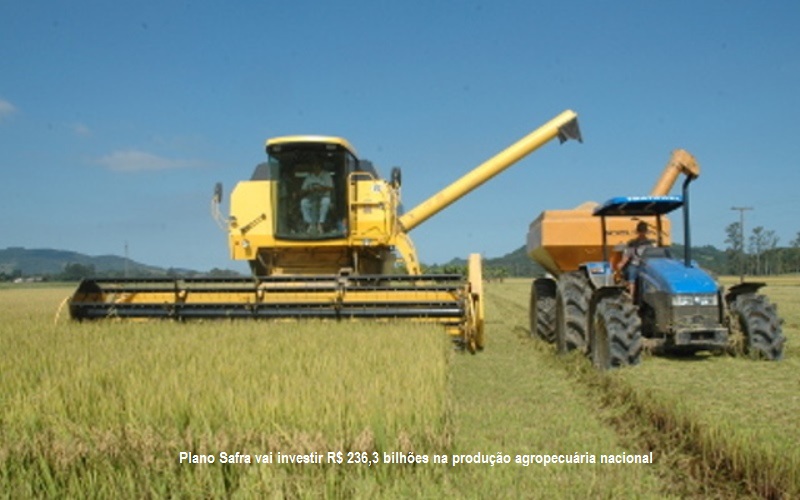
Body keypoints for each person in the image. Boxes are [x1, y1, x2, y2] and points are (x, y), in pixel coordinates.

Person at [616, 221, 655, 296]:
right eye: (640, 231)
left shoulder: (650, 244)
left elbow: (653, 256)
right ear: (638, 231)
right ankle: (631, 296)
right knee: (631, 273)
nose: (642, 233)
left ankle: (647, 296)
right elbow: (626, 256)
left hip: (646, 265)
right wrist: (620, 265)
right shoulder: (633, 244)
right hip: (635, 264)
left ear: (646, 231)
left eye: (643, 231)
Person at [299, 161, 333, 233]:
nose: (315, 168)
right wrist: (309, 189)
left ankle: (321, 223)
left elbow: (331, 187)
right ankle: (309, 223)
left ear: (320, 167)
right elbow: (303, 189)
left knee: (326, 202)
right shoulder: (309, 176)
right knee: (303, 202)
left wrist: (321, 188)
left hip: (324, 196)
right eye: (314, 166)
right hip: (311, 197)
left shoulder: (326, 175)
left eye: (317, 166)